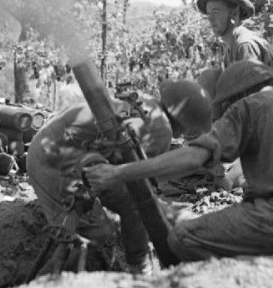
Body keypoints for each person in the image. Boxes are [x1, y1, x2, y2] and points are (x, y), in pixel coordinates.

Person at [85, 61, 273, 261]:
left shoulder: (250, 106)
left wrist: (118, 172)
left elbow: (195, 157)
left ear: (236, 96)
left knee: (182, 237)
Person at [26, 80, 212, 274]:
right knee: (99, 233)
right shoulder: (161, 129)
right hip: (53, 162)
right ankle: (44, 284)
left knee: (131, 205)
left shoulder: (146, 105)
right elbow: (140, 190)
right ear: (189, 126)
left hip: (53, 151)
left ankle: (137, 263)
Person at [195, 0, 273, 97]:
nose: (210, 19)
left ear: (234, 14)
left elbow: (251, 98)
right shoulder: (231, 48)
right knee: (210, 77)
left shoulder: (245, 44)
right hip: (271, 106)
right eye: (208, 14)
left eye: (215, 12)